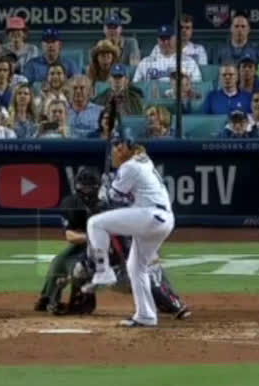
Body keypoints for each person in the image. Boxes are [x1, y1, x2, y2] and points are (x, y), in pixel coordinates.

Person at [35, 168, 189, 319]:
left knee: (147, 268)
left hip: (120, 242)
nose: (87, 193)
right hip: (88, 242)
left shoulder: (111, 202)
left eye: (91, 188)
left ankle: (170, 300)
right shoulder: (72, 203)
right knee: (65, 263)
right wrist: (93, 237)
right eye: (84, 188)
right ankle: (56, 299)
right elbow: (70, 236)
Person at [83, 136, 175, 327]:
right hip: (162, 219)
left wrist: (105, 190)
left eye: (117, 149)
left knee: (95, 224)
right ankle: (146, 315)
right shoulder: (142, 161)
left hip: (150, 215)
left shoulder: (130, 166)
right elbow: (125, 197)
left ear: (125, 149)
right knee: (136, 267)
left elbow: (113, 198)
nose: (113, 154)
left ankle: (103, 271)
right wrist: (111, 185)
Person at [133, 25, 201, 85]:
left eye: (168, 38)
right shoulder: (145, 62)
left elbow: (197, 84)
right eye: (162, 39)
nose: (166, 42)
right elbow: (136, 84)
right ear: (158, 40)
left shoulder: (189, 62)